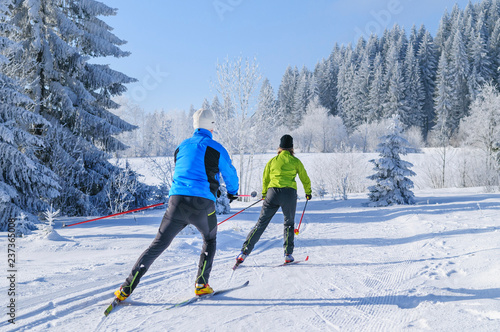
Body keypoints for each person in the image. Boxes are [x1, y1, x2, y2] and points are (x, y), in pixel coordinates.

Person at [114, 108, 239, 300]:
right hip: (201, 203)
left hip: (176, 202)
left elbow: (185, 169)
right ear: (212, 126)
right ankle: (201, 284)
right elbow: (229, 174)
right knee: (210, 239)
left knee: (158, 244)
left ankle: (126, 287)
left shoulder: (181, 147)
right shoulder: (216, 147)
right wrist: (232, 192)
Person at [236, 134, 311, 265]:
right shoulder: (296, 161)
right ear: (292, 148)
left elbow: (265, 178)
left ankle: (244, 252)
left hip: (273, 193)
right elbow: (304, 177)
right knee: (289, 223)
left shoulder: (273, 161)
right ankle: (288, 254)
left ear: (280, 147)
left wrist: (265, 193)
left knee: (261, 223)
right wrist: (308, 192)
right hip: (289, 194)